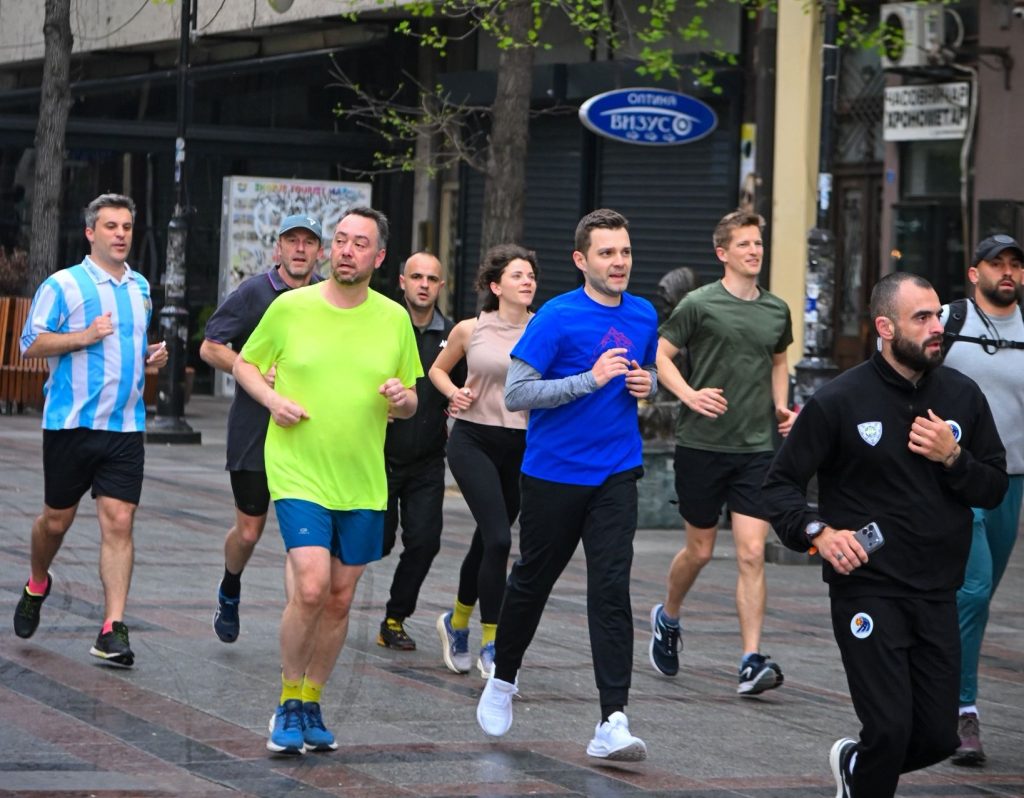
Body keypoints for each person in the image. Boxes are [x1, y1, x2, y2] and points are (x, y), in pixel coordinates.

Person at [762, 272, 1007, 798]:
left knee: (939, 735)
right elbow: (778, 487)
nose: (936, 326)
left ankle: (857, 766)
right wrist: (818, 533)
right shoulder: (839, 400)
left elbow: (992, 487)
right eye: (921, 317)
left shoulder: (962, 397)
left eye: (937, 314)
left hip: (938, 589)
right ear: (884, 326)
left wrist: (953, 457)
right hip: (867, 587)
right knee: (891, 728)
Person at [232, 207, 421, 755]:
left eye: (359, 243)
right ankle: (288, 699)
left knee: (339, 599)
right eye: (339, 240)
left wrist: (403, 400)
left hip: (362, 479)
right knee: (311, 585)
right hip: (297, 469)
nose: (345, 250)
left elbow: (409, 402)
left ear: (378, 257)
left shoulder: (392, 319)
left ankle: (313, 701)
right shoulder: (291, 307)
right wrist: (272, 400)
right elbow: (246, 363)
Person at [475, 209, 659, 762]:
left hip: (617, 471)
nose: (619, 262)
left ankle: (612, 719)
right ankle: (502, 678)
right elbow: (517, 394)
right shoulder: (555, 316)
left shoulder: (645, 314)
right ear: (581, 260)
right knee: (532, 580)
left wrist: (643, 384)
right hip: (553, 472)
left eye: (624, 251)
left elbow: (640, 382)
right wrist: (589, 379)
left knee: (611, 588)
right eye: (607, 253)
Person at [12, 193, 168, 667]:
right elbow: (30, 344)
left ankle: (112, 628)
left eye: (127, 226)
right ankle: (38, 579)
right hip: (70, 425)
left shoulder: (140, 286)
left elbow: (125, 349)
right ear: (90, 232)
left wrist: (147, 359)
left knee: (119, 523)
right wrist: (83, 336)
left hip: (125, 428)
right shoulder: (63, 285)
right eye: (111, 226)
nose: (121, 234)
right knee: (55, 522)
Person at [648, 209, 795, 695]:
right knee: (701, 550)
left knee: (752, 552)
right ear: (723, 253)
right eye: (745, 244)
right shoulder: (698, 303)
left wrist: (780, 406)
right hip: (702, 445)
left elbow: (779, 359)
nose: (755, 250)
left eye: (758, 243)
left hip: (756, 448)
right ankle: (668, 616)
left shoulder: (776, 309)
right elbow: (661, 358)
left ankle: (750, 660)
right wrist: (689, 395)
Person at [199, 214, 324, 644]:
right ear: (279, 249)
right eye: (292, 240)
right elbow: (210, 346)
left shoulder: (331, 299)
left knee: (301, 537)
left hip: (308, 435)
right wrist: (250, 369)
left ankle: (300, 626)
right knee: (250, 531)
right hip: (254, 430)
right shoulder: (255, 292)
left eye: (309, 241)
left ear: (319, 252)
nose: (300, 249)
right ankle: (230, 586)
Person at [430, 245, 536, 676]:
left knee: (487, 540)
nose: (527, 281)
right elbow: (437, 370)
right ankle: (491, 641)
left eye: (531, 275)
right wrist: (453, 392)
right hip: (473, 439)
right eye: (517, 275)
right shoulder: (470, 329)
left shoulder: (545, 328)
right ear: (496, 286)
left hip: (524, 444)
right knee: (498, 539)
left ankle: (455, 623)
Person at [940, 234, 1024, 765]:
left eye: (1015, 264)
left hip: (1011, 483)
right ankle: (963, 710)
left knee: (977, 598)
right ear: (975, 273)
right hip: (954, 479)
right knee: (971, 591)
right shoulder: (947, 321)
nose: (1008, 272)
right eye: (997, 263)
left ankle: (932, 672)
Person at [377, 252, 464, 651]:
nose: (424, 284)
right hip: (377, 456)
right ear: (402, 281)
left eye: (432, 278)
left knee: (426, 542)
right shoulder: (382, 326)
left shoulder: (453, 336)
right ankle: (329, 602)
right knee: (376, 542)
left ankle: (394, 618)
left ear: (441, 286)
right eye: (417, 277)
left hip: (428, 460)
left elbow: (462, 385)